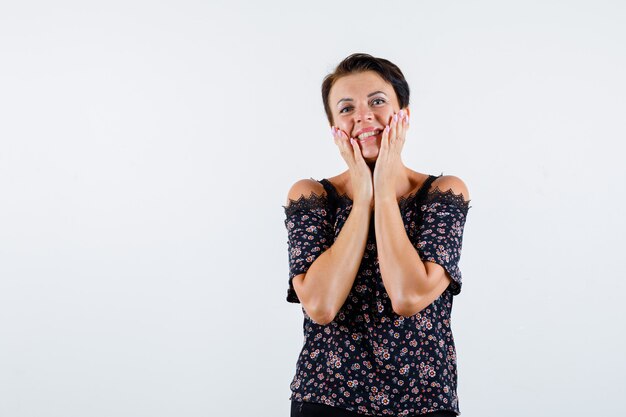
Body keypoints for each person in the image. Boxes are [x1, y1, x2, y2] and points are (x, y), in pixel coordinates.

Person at [282, 53, 472, 417]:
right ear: (334, 126)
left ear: (405, 114)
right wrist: (363, 196)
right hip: (327, 398)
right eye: (346, 108)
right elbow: (320, 306)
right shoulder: (311, 196)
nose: (363, 116)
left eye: (377, 101)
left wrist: (383, 189)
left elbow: (408, 296)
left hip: (424, 400)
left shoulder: (444, 193)